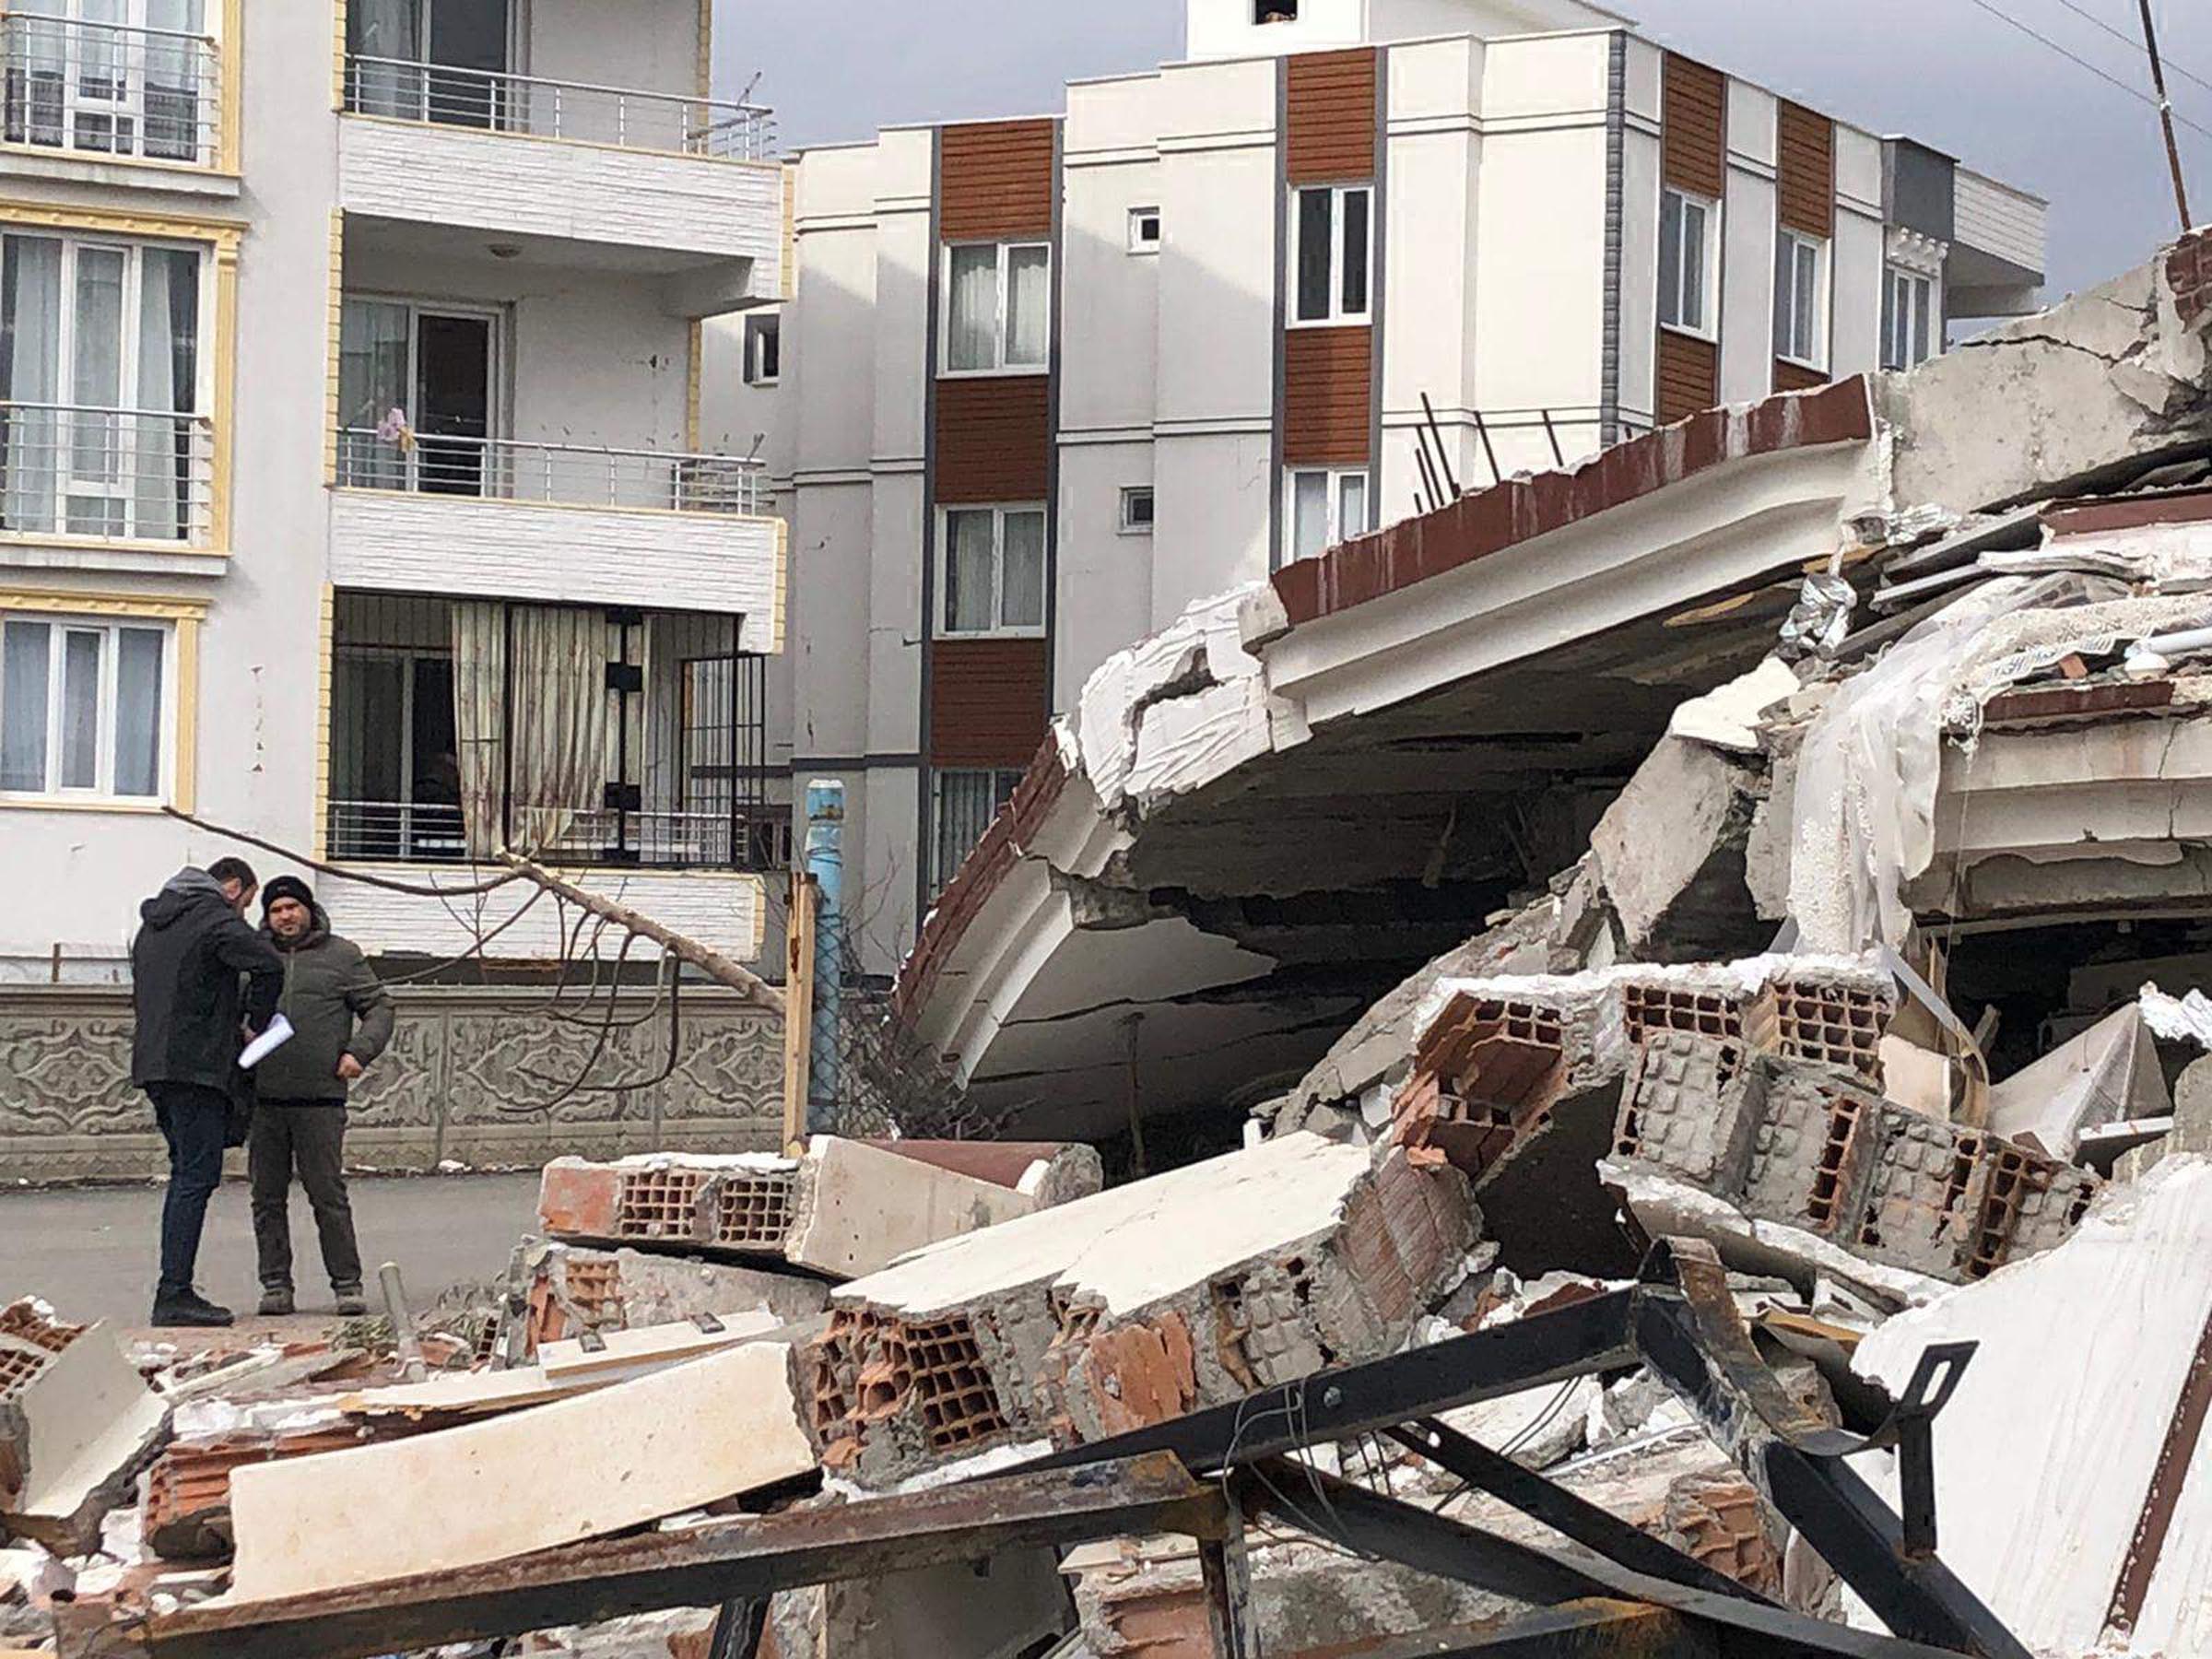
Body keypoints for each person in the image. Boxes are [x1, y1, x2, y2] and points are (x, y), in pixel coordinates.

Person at [130, 858, 284, 1328]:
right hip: (197, 1068)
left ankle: (174, 1287)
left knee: (186, 1176)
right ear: (233, 887)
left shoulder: (153, 926)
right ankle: (173, 1292)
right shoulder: (214, 917)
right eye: (248, 903)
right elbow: (269, 965)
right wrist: (255, 1025)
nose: (243, 914)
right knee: (195, 1178)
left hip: (155, 1067)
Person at [249, 876, 393, 1318]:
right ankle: (276, 1285)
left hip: (321, 1101)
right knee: (266, 1198)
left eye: (292, 906)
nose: (285, 916)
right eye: (276, 910)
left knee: (328, 1196)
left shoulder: (341, 956)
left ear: (308, 909)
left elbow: (379, 1008)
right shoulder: (252, 954)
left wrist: (358, 1052)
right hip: (264, 1099)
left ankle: (347, 1285)